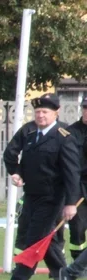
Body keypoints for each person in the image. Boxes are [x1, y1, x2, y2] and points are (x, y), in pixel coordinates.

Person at [1, 93, 81, 280]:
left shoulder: (64, 137)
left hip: (52, 198)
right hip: (31, 195)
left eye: (45, 112)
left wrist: (71, 203)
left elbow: (72, 173)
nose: (40, 116)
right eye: (37, 112)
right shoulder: (29, 133)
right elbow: (12, 155)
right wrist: (16, 172)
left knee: (35, 239)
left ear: (56, 112)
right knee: (48, 242)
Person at [63, 98, 87, 261]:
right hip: (78, 186)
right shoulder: (70, 132)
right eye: (85, 108)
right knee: (77, 227)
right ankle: (79, 262)